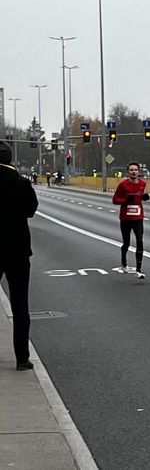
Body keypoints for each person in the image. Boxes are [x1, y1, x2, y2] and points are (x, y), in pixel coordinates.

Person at [0, 141, 39, 370]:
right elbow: (30, 211)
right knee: (20, 304)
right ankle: (22, 358)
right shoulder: (22, 184)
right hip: (17, 250)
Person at [112, 162, 150, 279]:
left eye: (136, 170)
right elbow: (115, 200)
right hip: (125, 218)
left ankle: (139, 269)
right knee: (127, 242)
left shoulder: (142, 183)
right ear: (128, 172)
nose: (134, 172)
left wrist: (144, 197)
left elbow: (140, 197)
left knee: (140, 241)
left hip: (138, 217)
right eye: (131, 170)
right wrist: (126, 200)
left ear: (138, 171)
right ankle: (124, 262)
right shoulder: (123, 185)